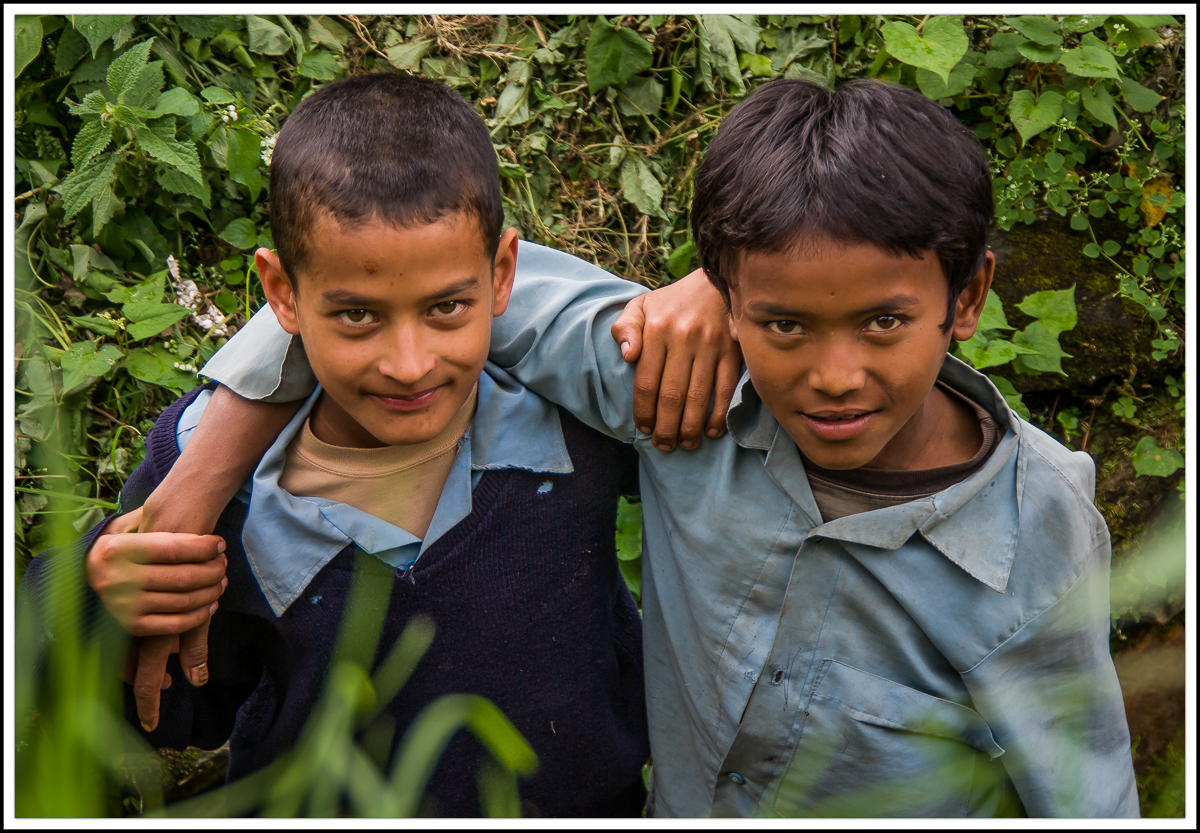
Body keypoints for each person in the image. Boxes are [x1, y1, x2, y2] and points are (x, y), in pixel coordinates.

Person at [110, 78, 1140, 817]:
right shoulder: (679, 391)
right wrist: (202, 475)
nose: (833, 374)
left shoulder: (1039, 536)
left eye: (881, 322)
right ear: (727, 305)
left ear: (967, 299)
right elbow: (371, 281)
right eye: (782, 322)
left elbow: (1083, 789)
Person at [19, 72, 742, 818]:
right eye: (358, 316)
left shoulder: (571, 426)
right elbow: (153, 708)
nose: (409, 362)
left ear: (502, 274)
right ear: (281, 292)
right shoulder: (221, 491)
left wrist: (720, 289)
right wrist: (94, 588)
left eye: (447, 308)